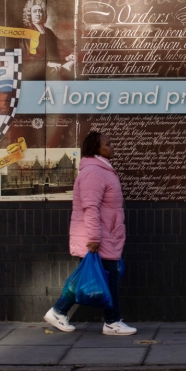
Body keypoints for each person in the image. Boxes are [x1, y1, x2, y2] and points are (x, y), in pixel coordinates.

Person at [45, 131, 136, 336]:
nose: (112, 146)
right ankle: (112, 322)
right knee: (109, 276)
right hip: (98, 236)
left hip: (105, 234)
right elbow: (90, 207)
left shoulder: (101, 169)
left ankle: (59, 311)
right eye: (108, 144)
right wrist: (94, 237)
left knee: (100, 277)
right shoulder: (94, 172)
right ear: (96, 148)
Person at [23, 0, 75, 80]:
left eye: (40, 11)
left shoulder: (48, 31)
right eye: (35, 11)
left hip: (54, 65)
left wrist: (67, 57)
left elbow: (58, 49)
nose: (38, 14)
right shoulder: (28, 32)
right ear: (29, 14)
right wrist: (48, 64)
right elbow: (30, 59)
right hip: (37, 69)